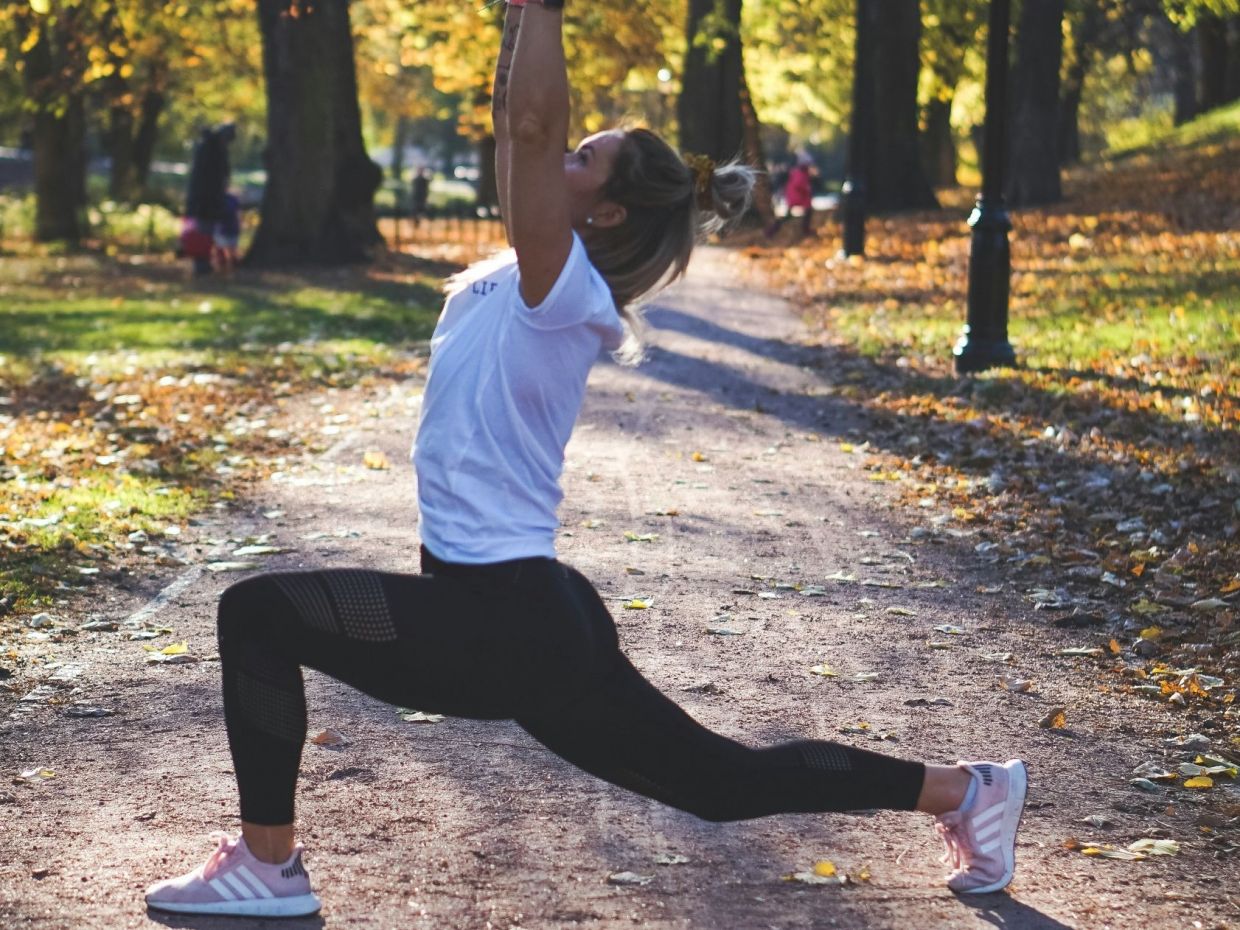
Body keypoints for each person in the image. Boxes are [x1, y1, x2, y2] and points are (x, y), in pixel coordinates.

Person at [145, 1, 1026, 918]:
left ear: (603, 209)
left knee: (256, 615)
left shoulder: (558, 287)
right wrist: (521, 18)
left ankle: (269, 868)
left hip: (502, 616)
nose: (554, 157)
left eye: (581, 157)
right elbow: (511, 120)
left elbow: (530, 126)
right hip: (516, 611)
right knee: (720, 783)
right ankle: (970, 791)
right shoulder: (522, 266)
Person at [183, 122, 236, 276]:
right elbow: (213, 177)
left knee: (207, 231)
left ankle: (205, 263)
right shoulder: (213, 150)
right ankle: (202, 265)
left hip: (207, 199)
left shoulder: (210, 148)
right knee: (204, 232)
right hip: (206, 200)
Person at [211, 191, 241, 274]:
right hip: (229, 227)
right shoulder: (232, 199)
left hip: (224, 228)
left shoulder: (219, 199)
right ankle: (227, 270)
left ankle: (227, 270)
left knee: (223, 251)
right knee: (229, 251)